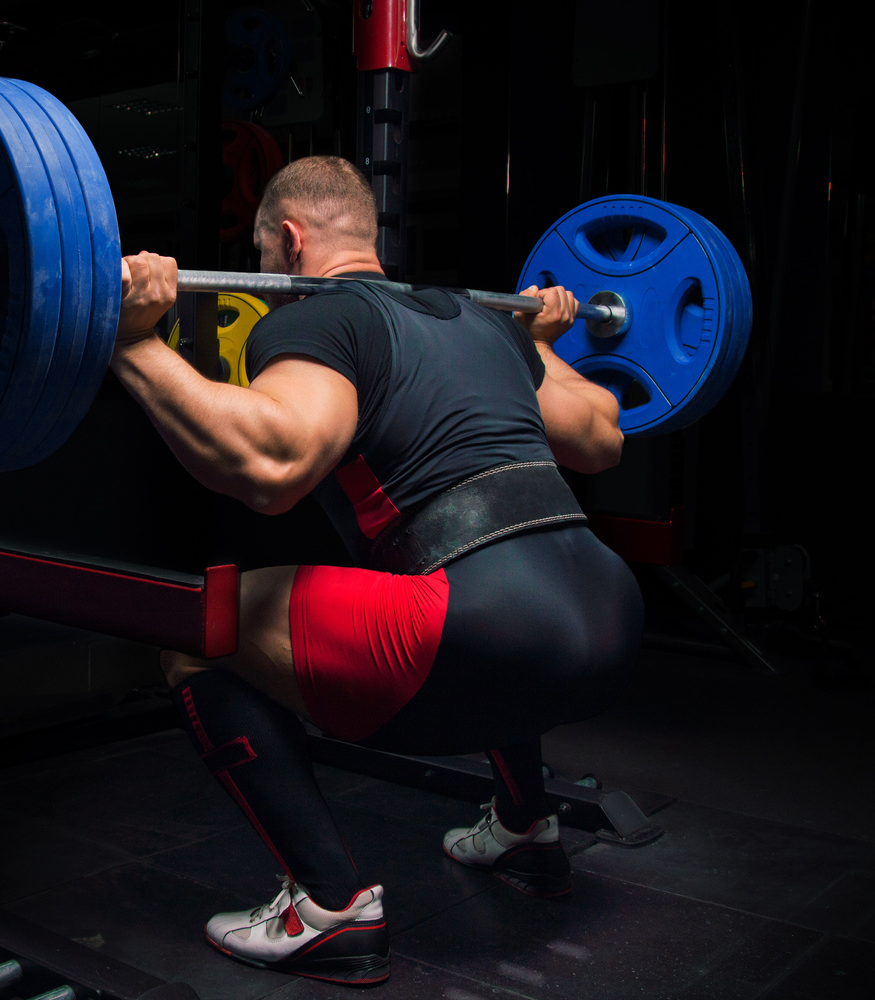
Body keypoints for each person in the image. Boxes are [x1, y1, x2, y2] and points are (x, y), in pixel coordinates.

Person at [108, 156, 643, 986]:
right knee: (488, 587)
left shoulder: (318, 319)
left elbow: (273, 464)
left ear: (289, 242)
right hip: (609, 618)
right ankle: (526, 828)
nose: (263, 276)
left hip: (478, 631)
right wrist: (539, 346)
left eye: (259, 257)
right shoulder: (480, 320)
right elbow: (603, 436)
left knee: (196, 630)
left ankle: (325, 908)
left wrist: (134, 343)